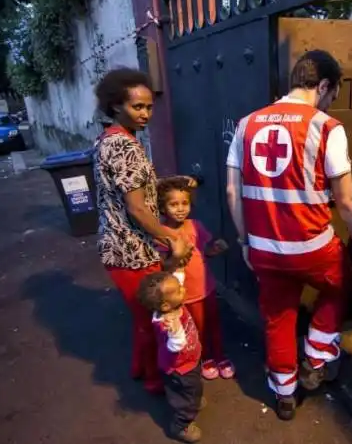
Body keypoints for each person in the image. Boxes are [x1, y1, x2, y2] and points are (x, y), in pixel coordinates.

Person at [225, 50, 352, 420]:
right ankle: (316, 360)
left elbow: (232, 194)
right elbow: (346, 202)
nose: (330, 103)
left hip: (265, 250)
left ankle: (284, 396)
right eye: (332, 95)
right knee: (339, 284)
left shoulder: (246, 125)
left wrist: (245, 243)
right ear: (324, 86)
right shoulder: (327, 128)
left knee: (278, 316)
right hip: (314, 248)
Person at [93, 67, 195, 395]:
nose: (145, 113)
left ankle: (140, 369)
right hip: (130, 251)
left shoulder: (111, 140)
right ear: (115, 106)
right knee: (155, 319)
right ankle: (154, 382)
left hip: (120, 247)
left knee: (142, 317)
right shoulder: (124, 147)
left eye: (149, 106)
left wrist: (166, 182)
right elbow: (137, 208)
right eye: (137, 107)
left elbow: (131, 190)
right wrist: (173, 237)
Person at [155, 178, 236, 380]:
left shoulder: (195, 225)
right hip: (186, 294)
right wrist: (176, 254)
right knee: (197, 328)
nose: (181, 209)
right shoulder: (162, 233)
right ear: (162, 207)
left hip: (206, 287)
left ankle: (220, 356)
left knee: (214, 324)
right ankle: (206, 357)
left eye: (185, 203)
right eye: (174, 204)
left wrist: (215, 248)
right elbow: (163, 266)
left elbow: (205, 251)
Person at [138, 271, 206, 443]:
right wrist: (175, 331)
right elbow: (177, 346)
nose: (183, 289)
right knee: (186, 396)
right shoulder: (167, 324)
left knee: (193, 387)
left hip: (190, 360)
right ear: (165, 306)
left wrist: (179, 266)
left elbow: (177, 278)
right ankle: (181, 424)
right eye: (178, 290)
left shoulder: (172, 304)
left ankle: (193, 399)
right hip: (180, 368)